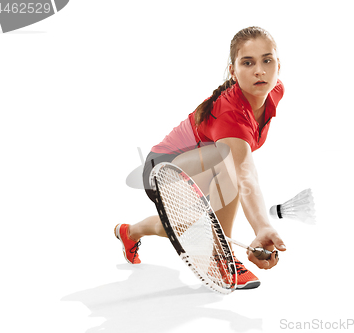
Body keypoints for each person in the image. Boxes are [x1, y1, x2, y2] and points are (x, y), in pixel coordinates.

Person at [114, 26, 286, 290]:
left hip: (198, 171)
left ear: (278, 64)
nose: (260, 71)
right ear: (233, 70)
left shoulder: (273, 91)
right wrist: (261, 227)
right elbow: (244, 172)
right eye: (248, 63)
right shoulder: (230, 112)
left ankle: (129, 232)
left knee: (187, 227)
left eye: (267, 60)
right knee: (227, 164)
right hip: (162, 169)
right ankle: (220, 258)